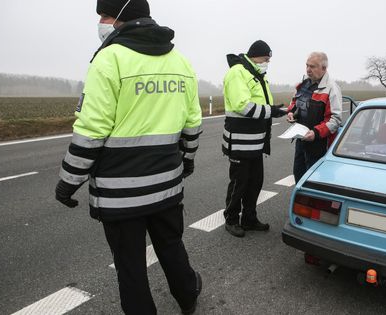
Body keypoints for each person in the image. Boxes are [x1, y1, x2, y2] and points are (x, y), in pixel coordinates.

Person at [54, 1, 202, 314]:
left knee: (130, 265)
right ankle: (188, 296)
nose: (101, 22)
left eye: (104, 15)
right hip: (167, 184)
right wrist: (187, 159)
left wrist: (68, 182)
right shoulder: (180, 61)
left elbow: (91, 131)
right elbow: (192, 122)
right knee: (171, 245)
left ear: (120, 18)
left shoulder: (109, 59)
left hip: (120, 194)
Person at [221, 40, 286, 237]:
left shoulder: (257, 74)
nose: (267, 63)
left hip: (256, 142)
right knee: (239, 183)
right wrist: (271, 111)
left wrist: (276, 109)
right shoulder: (237, 73)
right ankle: (231, 219)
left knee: (255, 182)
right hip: (240, 141)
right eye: (265, 59)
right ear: (255, 56)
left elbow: (260, 103)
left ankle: (249, 218)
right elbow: (243, 105)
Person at [286, 52, 342, 182]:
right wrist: (291, 113)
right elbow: (294, 103)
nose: (308, 69)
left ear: (324, 68)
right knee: (299, 175)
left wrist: (316, 133)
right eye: (307, 65)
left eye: (313, 66)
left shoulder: (332, 89)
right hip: (301, 140)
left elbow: (335, 119)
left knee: (316, 180)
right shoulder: (302, 84)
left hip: (320, 144)